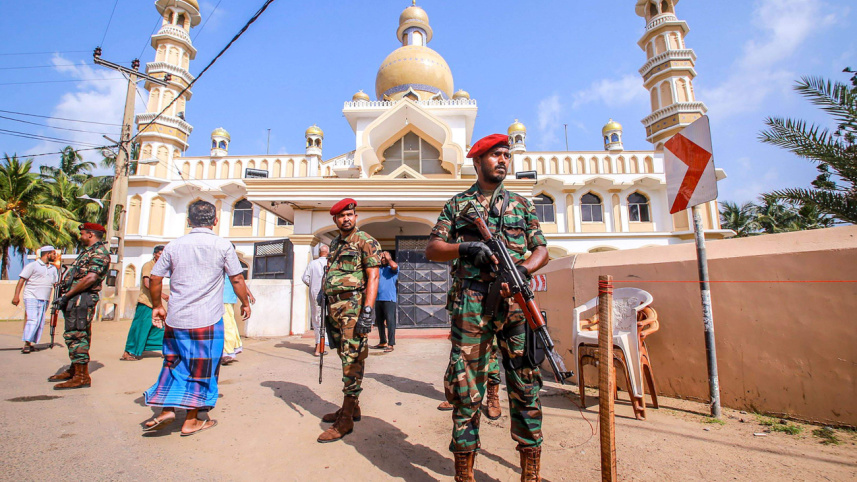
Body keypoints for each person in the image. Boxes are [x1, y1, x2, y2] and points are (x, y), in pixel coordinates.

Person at [426, 133, 549, 481]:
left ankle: (530, 471)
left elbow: (542, 248)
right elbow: (433, 248)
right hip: (472, 304)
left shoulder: (522, 205)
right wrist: (464, 250)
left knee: (526, 386)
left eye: (506, 155)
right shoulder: (459, 205)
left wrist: (524, 270)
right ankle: (464, 472)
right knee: (465, 390)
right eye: (495, 155)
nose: (503, 160)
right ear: (478, 161)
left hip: (515, 304)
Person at [141, 200, 251, 436]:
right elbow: (237, 279)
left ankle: (166, 409)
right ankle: (192, 420)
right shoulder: (222, 246)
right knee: (202, 368)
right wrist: (245, 302)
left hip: (177, 318)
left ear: (188, 221)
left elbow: (155, 278)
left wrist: (157, 305)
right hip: (207, 319)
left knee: (173, 363)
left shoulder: (173, 246)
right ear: (215, 221)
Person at [317, 198, 381, 443]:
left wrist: (367, 311)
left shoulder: (365, 241)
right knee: (345, 355)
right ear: (335, 219)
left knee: (352, 359)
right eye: (342, 215)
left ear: (356, 217)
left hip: (353, 308)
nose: (347, 218)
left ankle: (345, 420)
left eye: (350, 214)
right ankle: (351, 407)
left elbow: (373, 275)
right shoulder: (334, 242)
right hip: (334, 307)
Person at [48, 224, 111, 390]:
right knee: (76, 333)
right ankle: (74, 369)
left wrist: (67, 296)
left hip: (82, 299)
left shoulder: (99, 253)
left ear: (90, 234)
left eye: (82, 233)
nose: (80, 236)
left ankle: (81, 376)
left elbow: (91, 278)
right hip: (76, 298)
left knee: (76, 335)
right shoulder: (89, 251)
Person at [121, 245, 169, 361]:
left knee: (159, 328)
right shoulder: (148, 266)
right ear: (155, 254)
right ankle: (129, 352)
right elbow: (148, 283)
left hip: (155, 303)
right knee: (139, 328)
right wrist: (162, 295)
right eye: (160, 254)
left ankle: (164, 349)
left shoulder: (160, 266)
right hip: (146, 302)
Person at [12, 246, 59, 354]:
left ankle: (31, 343)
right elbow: (21, 281)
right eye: (53, 254)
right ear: (47, 254)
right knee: (32, 319)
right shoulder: (32, 266)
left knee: (39, 322)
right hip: (31, 296)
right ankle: (27, 344)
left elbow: (55, 283)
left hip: (45, 298)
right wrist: (16, 296)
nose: (55, 256)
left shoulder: (53, 269)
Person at [301, 244, 329, 356]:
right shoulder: (329, 263)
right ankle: (319, 347)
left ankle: (319, 345)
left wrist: (312, 285)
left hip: (315, 293)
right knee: (324, 320)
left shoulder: (312, 263)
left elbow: (304, 278)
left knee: (317, 320)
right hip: (327, 295)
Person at [371, 251, 398, 353]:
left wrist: (388, 258)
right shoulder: (378, 269)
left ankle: (391, 344)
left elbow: (394, 266)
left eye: (384, 258)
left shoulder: (392, 269)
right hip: (378, 299)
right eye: (382, 258)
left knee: (390, 322)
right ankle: (382, 341)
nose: (383, 259)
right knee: (380, 323)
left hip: (389, 299)